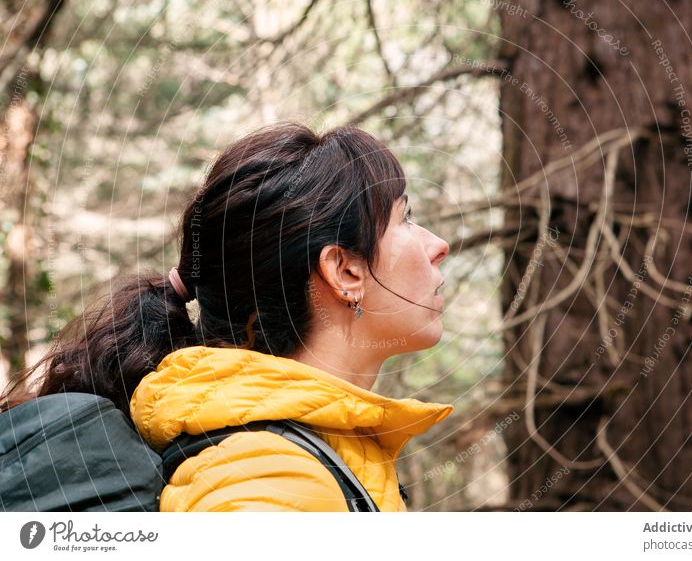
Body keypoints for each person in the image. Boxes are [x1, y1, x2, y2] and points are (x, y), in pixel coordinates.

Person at [0, 122, 453, 511]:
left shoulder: (308, 454)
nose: (438, 245)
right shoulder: (272, 486)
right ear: (344, 271)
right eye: (405, 218)